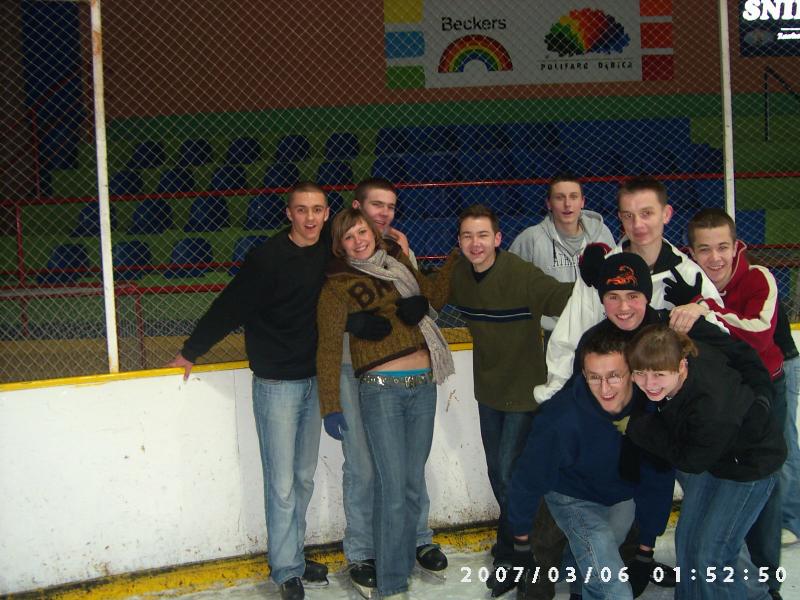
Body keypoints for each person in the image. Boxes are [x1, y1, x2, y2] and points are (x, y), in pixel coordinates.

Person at [165, 183, 381, 600]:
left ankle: (292, 557)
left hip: (317, 379)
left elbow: (362, 252)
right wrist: (191, 351)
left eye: (317, 210)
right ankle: (285, 569)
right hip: (277, 385)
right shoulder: (266, 259)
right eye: (302, 210)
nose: (310, 218)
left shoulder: (329, 252)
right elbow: (229, 306)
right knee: (281, 483)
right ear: (289, 213)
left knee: (302, 478)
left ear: (326, 212)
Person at [315, 207, 456, 599]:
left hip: (424, 386)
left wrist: (456, 257)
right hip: (381, 391)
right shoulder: (336, 284)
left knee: (411, 483)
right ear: (340, 246)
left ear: (373, 233)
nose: (358, 240)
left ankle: (403, 560)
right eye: (349, 237)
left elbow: (436, 296)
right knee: (392, 488)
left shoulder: (398, 263)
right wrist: (331, 405)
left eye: (362, 232)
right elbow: (328, 347)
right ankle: (392, 586)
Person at [448, 204, 573, 597]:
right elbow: (427, 292)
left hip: (523, 392)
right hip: (488, 390)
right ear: (459, 241)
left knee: (508, 475)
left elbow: (562, 298)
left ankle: (526, 555)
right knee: (497, 474)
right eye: (468, 236)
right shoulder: (460, 275)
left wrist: (598, 281)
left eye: (483, 235)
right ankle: (513, 548)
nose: (476, 243)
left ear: (498, 238)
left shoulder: (520, 274)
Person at [507, 327, 675, 600]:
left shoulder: (649, 410)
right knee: (613, 587)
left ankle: (579, 588)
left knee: (595, 561)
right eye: (594, 377)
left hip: (621, 496)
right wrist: (521, 543)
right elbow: (527, 478)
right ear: (583, 374)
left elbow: (658, 480)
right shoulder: (560, 418)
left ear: (632, 373)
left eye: (614, 376)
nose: (604, 388)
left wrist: (646, 550)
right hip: (573, 497)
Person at [626, 325, 786, 600]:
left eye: (659, 375)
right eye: (640, 373)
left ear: (681, 366)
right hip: (717, 457)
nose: (648, 383)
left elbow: (690, 460)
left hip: (750, 466)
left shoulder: (710, 407)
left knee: (713, 557)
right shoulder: (681, 353)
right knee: (687, 542)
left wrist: (638, 427)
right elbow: (738, 350)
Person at [535, 176, 725, 405]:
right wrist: (558, 398)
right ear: (620, 218)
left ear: (666, 214)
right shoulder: (601, 272)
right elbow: (568, 339)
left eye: (647, 213)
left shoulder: (688, 275)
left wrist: (701, 308)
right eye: (628, 215)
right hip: (611, 402)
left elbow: (721, 336)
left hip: (672, 403)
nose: (638, 225)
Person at [684, 207, 786, 599]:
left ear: (737, 246)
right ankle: (728, 571)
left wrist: (707, 311)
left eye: (723, 247)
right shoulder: (688, 283)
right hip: (720, 399)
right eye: (704, 249)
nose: (715, 258)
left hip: (766, 390)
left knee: (767, 483)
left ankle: (768, 580)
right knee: (725, 488)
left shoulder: (758, 277)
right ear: (692, 252)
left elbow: (759, 335)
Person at [509, 174, 615, 337]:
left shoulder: (602, 234)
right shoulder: (531, 239)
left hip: (598, 329)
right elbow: (510, 283)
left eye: (573, 197)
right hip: (551, 332)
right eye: (559, 197)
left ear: (582, 201)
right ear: (549, 203)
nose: (567, 204)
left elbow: (616, 278)